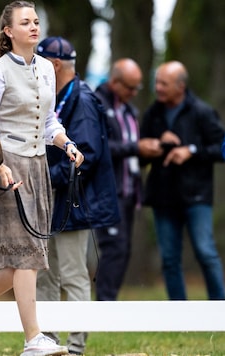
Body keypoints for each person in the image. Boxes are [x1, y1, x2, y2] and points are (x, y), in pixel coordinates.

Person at [0, 2, 83, 356]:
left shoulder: (46, 69)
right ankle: (33, 338)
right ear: (8, 31)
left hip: (38, 167)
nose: (34, 27)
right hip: (5, 168)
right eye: (26, 22)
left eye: (36, 21)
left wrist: (66, 142)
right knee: (24, 257)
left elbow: (49, 120)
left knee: (28, 257)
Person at [35, 36, 119, 356]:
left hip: (73, 203)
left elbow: (87, 156)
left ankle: (75, 347)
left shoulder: (81, 100)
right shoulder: (58, 97)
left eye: (39, 65)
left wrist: (43, 180)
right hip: (55, 202)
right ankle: (46, 342)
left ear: (54, 65)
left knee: (73, 276)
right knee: (46, 275)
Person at [141, 60, 225, 300]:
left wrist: (191, 150)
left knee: (205, 252)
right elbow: (140, 149)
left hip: (196, 196)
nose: (158, 87)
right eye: (156, 82)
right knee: (169, 258)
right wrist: (155, 144)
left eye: (164, 84)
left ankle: (220, 309)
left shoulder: (202, 112)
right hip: (163, 196)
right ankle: (180, 314)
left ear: (181, 86)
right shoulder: (153, 113)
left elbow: (221, 149)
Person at [93, 58, 162, 301]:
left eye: (137, 88)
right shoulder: (97, 104)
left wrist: (151, 149)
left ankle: (109, 304)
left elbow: (133, 149)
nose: (133, 93)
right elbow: (98, 147)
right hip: (108, 191)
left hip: (130, 190)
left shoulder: (130, 110)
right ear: (114, 81)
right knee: (113, 249)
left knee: (124, 250)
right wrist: (136, 148)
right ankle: (104, 305)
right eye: (130, 87)